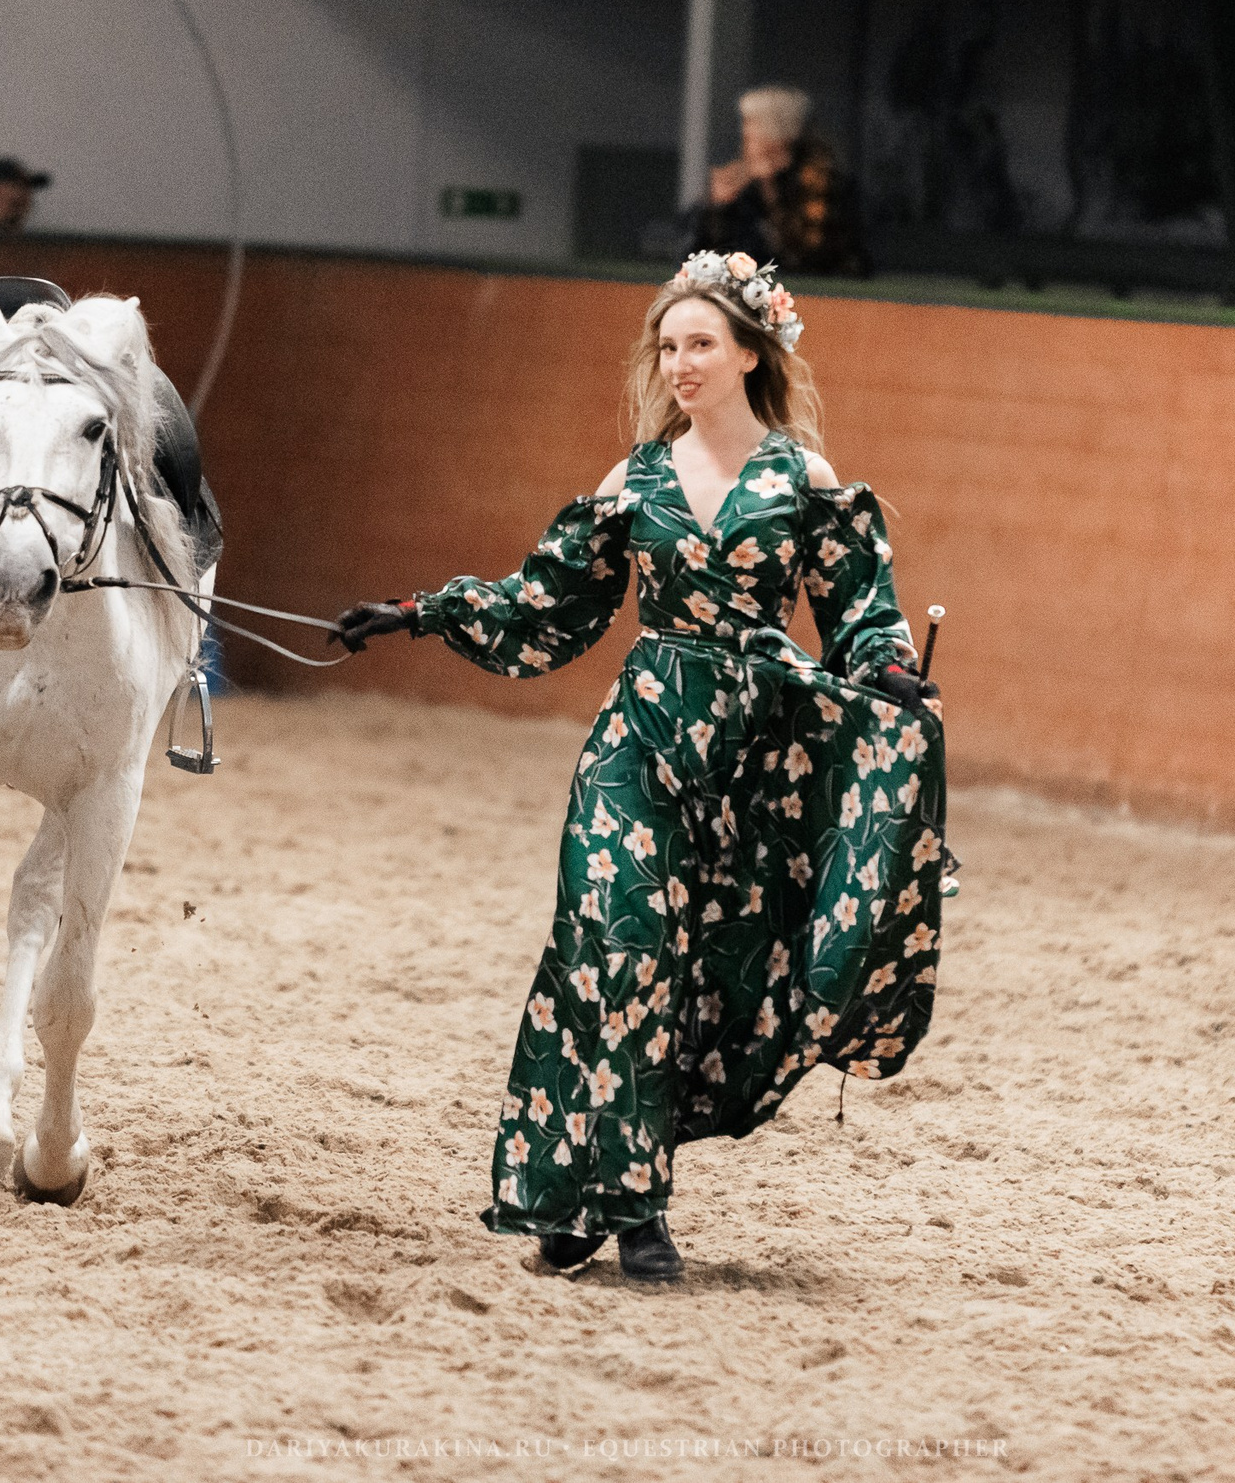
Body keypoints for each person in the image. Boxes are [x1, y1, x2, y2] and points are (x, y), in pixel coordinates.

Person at [331, 251, 948, 1283]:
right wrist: (417, 612)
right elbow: (545, 602)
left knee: (689, 981)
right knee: (618, 952)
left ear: (751, 351)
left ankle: (579, 1202)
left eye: (700, 342)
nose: (680, 363)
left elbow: (860, 614)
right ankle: (636, 1209)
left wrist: (888, 670)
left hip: (754, 766)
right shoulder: (636, 479)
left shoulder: (805, 481)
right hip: (638, 745)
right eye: (668, 346)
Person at [687, 85, 870, 279]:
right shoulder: (740, 186)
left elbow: (828, 261)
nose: (745, 133)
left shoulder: (825, 184)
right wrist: (718, 210)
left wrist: (773, 194)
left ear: (776, 129)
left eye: (752, 123)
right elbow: (698, 260)